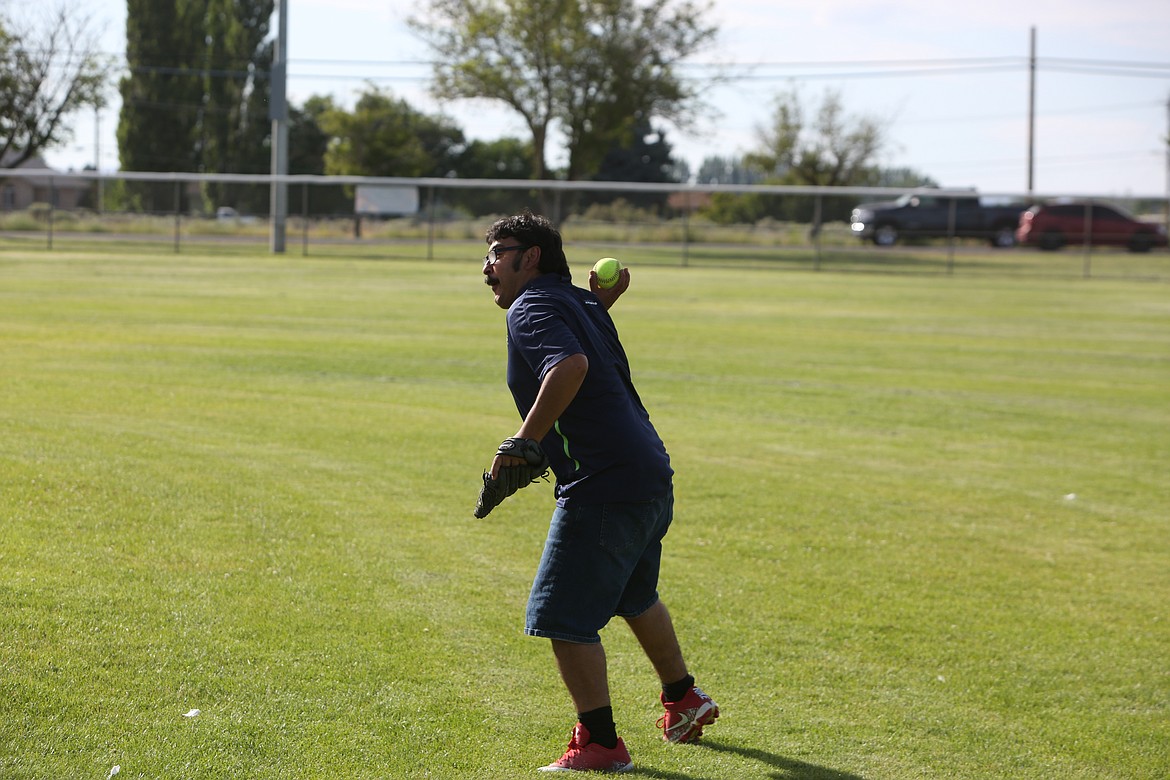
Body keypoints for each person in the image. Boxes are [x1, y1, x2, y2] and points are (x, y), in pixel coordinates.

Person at [481, 212, 719, 773]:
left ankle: (601, 743)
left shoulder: (532, 306)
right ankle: (683, 699)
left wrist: (523, 440)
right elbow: (584, 342)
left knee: (560, 614)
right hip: (648, 472)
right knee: (634, 595)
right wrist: (601, 302)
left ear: (531, 256)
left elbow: (570, 363)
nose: (487, 268)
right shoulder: (580, 304)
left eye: (497, 253)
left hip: (604, 482)